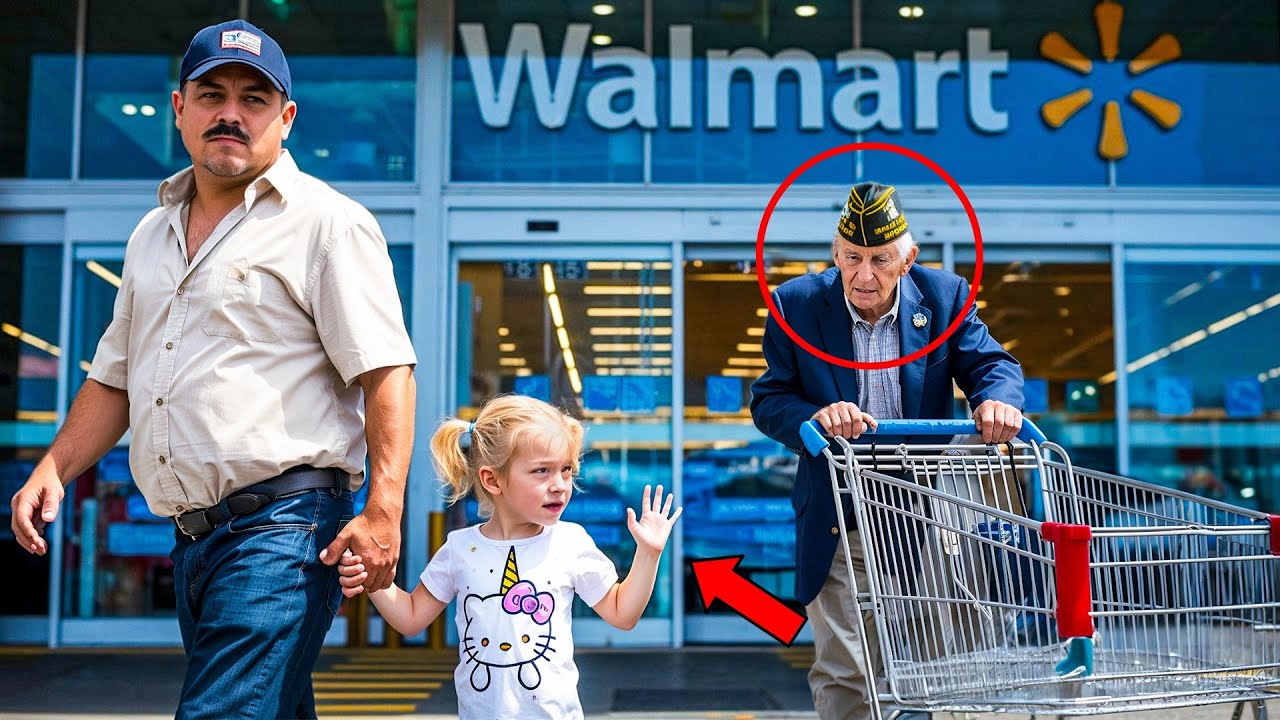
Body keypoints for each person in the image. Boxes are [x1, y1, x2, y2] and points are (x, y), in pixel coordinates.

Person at [7, 19, 416, 720]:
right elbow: (115, 377)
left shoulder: (326, 223)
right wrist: (55, 467)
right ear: (179, 108)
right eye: (212, 93)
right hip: (196, 543)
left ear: (285, 119)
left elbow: (387, 373)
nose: (231, 113)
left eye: (254, 98)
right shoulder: (150, 234)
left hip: (285, 533)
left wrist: (385, 511)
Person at [749, 182, 1024, 720]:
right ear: (835, 254)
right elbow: (770, 398)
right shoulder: (794, 306)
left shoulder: (944, 296)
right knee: (847, 670)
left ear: (909, 259)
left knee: (942, 663)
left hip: (924, 512)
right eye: (852, 258)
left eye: (881, 260)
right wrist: (814, 417)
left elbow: (993, 366)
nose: (865, 275)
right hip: (840, 510)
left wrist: (996, 402)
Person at [337, 394, 682, 720]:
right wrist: (372, 577)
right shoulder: (460, 549)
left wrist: (649, 554)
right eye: (541, 471)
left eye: (566, 470)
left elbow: (623, 614)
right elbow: (411, 618)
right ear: (493, 480)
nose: (560, 484)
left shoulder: (570, 542)